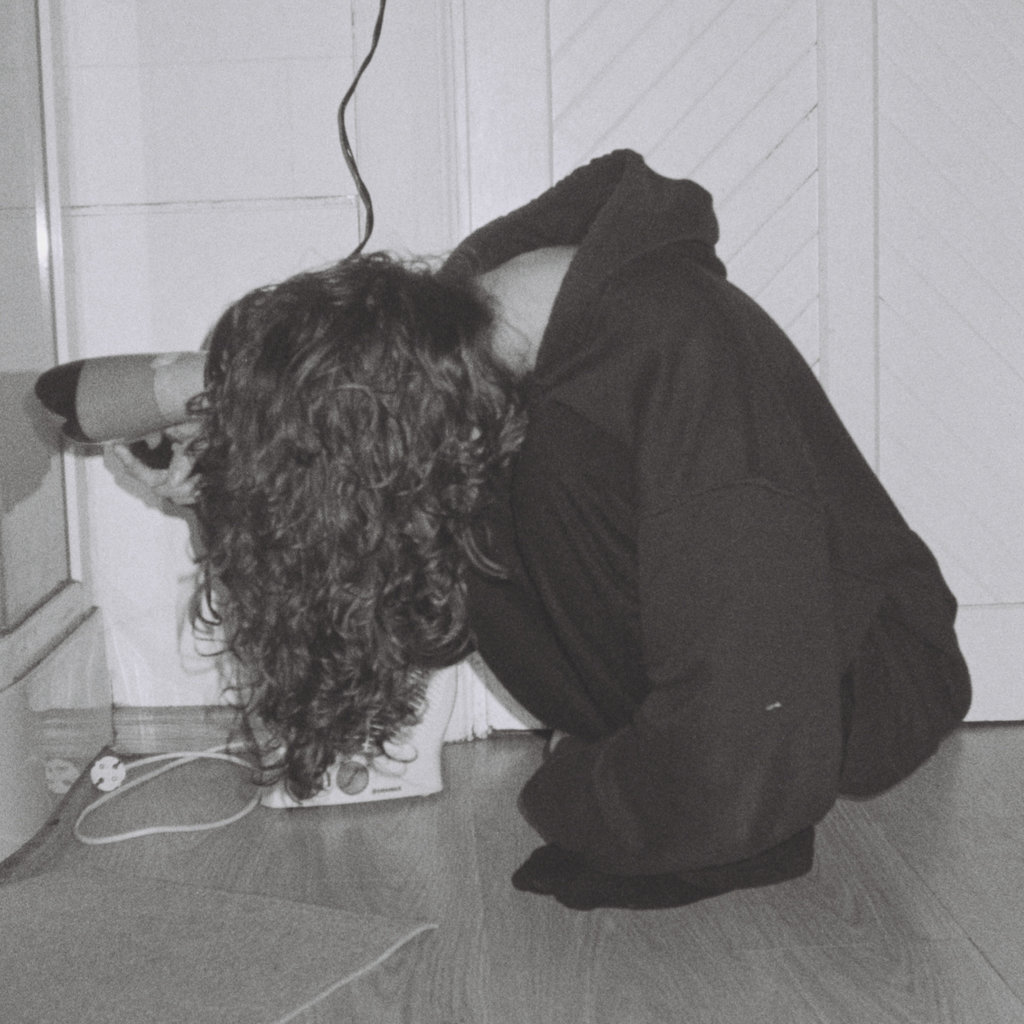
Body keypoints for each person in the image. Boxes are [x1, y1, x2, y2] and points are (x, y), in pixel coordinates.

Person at [112, 150, 971, 910]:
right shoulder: (470, 348)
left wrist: (574, 790)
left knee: (489, 483)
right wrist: (215, 499)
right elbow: (425, 610)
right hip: (734, 691)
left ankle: (686, 796)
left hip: (853, 684)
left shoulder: (673, 343)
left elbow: (751, 708)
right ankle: (675, 778)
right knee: (454, 496)